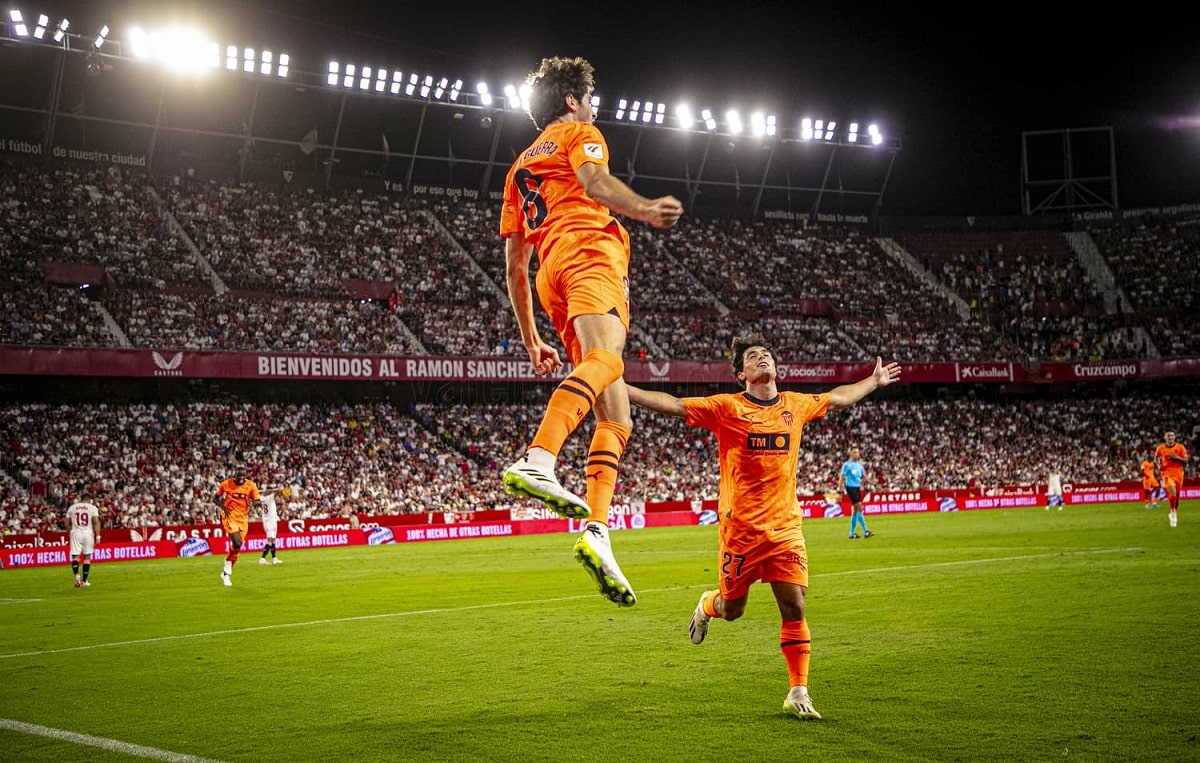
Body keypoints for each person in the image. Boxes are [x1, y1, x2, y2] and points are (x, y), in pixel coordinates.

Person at [626, 333, 901, 719]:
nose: (762, 359)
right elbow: (672, 405)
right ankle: (707, 605)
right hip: (741, 532)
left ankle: (798, 691)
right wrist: (620, 386)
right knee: (733, 608)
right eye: (753, 357)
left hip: (786, 527)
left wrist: (873, 382)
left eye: (766, 354)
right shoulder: (727, 408)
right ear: (741, 374)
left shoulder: (795, 405)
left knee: (795, 607)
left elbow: (838, 398)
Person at [498, 55, 684, 607]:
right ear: (573, 100)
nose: (593, 106)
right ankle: (538, 459)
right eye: (590, 97)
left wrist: (531, 338)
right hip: (588, 252)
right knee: (610, 360)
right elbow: (595, 182)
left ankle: (597, 534)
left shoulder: (518, 170)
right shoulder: (580, 132)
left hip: (552, 274)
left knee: (616, 413)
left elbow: (514, 264)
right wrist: (646, 209)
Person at [214, 463, 261, 586]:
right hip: (229, 516)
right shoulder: (226, 484)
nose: (241, 479)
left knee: (237, 547)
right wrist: (223, 507)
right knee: (237, 542)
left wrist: (259, 508)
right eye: (239, 477)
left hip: (243, 518)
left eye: (243, 477)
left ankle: (226, 568)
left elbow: (256, 500)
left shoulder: (251, 485)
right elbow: (215, 498)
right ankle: (227, 570)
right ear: (235, 476)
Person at [66, 492, 102, 588]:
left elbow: (66, 522)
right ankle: (84, 580)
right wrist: (98, 536)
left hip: (75, 532)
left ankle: (76, 574)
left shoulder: (73, 507)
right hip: (88, 533)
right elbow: (96, 522)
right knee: (87, 557)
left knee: (75, 557)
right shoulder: (92, 508)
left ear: (81, 499)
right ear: (89, 500)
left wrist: (70, 532)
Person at [1154, 430, 1189, 528]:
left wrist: (1177, 458)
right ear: (1165, 437)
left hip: (1179, 474)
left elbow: (1186, 461)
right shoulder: (1160, 448)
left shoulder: (1180, 447)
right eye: (1168, 436)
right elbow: (1156, 458)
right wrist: (1158, 465)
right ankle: (1173, 513)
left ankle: (1173, 511)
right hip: (1166, 474)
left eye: (1172, 435)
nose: (1170, 437)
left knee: (1176, 498)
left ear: (1174, 437)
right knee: (1172, 492)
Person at [839, 446, 874, 538]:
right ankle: (865, 531)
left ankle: (851, 533)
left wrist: (873, 483)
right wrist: (840, 488)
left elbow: (864, 476)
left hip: (857, 488)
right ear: (851, 453)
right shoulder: (847, 465)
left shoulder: (860, 466)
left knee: (855, 511)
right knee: (859, 507)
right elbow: (842, 477)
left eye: (857, 452)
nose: (856, 454)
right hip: (850, 487)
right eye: (854, 452)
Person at [259, 486, 286, 565]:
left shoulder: (262, 498)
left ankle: (274, 558)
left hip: (268, 521)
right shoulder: (269, 497)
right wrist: (279, 489)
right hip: (270, 522)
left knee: (273, 540)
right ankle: (262, 558)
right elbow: (277, 492)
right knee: (270, 540)